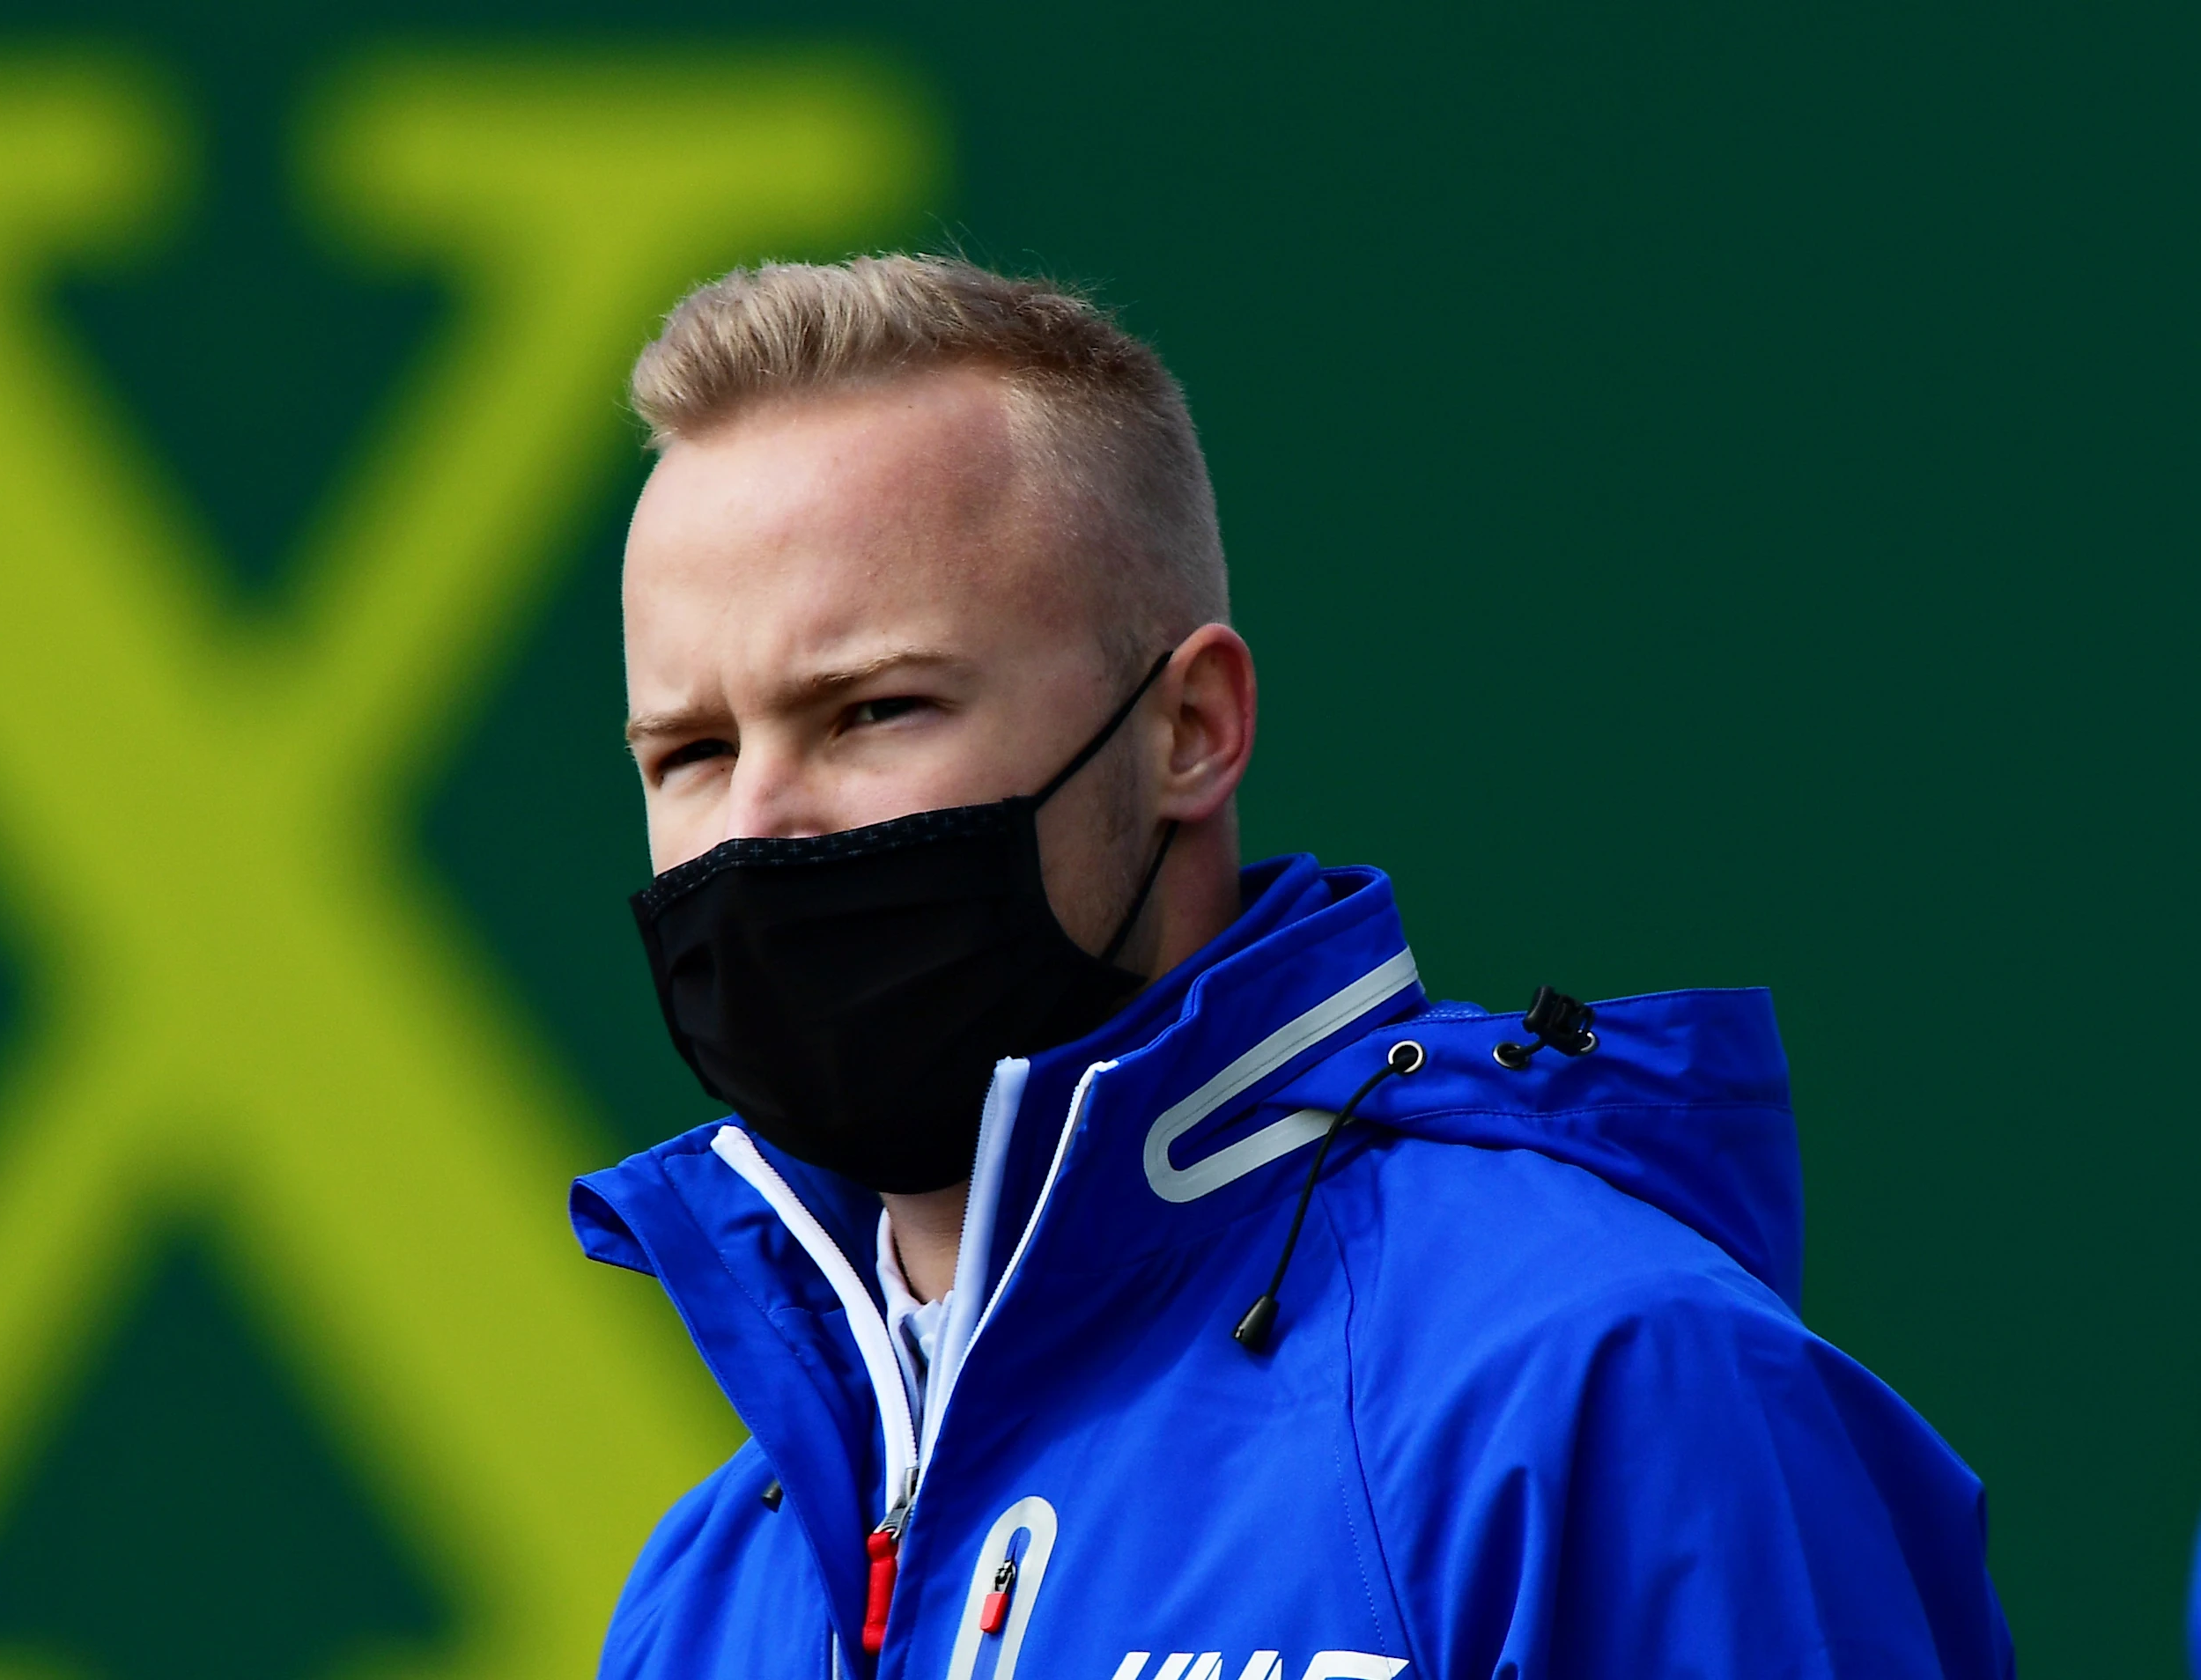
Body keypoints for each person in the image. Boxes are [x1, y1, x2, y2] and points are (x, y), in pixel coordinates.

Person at [570, 254, 2013, 1680]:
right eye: (691, 752)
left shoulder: (1600, 1391)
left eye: (873, 710)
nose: (755, 824)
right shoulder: (707, 1597)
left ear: (1191, 726)